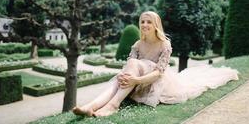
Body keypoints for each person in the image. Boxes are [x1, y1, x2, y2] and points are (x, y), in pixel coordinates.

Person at [73, 11, 239, 117]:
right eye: (143, 21)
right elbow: (130, 67)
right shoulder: (137, 44)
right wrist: (126, 77)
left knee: (133, 65)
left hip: (155, 82)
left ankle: (113, 105)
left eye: (149, 22)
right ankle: (90, 106)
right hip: (135, 79)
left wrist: (135, 81)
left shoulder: (165, 44)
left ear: (155, 25)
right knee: (126, 70)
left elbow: (159, 73)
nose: (145, 24)